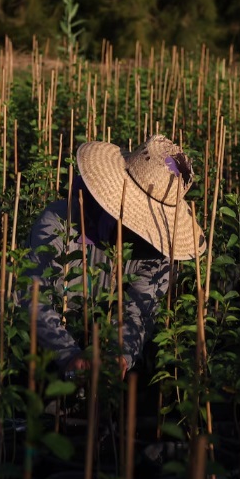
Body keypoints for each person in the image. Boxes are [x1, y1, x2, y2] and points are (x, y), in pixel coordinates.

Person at [25, 133, 206, 377]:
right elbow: (33, 295)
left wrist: (120, 354)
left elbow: (139, 310)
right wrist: (67, 354)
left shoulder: (160, 250)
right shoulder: (60, 222)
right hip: (47, 358)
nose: (136, 230)